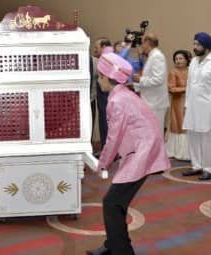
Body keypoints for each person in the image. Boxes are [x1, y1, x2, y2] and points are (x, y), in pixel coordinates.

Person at [86, 51, 170, 255]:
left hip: (142, 152)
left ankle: (121, 250)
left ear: (106, 78)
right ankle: (112, 245)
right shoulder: (124, 94)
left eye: (99, 78)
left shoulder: (117, 101)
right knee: (117, 203)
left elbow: (113, 137)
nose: (99, 82)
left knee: (111, 203)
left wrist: (102, 163)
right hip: (143, 149)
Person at [181, 32, 211, 181]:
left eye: (198, 44)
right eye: (194, 44)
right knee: (193, 135)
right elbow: (189, 85)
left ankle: (208, 168)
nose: (194, 47)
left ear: (206, 46)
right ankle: (196, 166)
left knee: (207, 137)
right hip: (193, 106)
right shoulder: (194, 62)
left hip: (209, 107)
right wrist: (186, 105)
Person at [133, 33, 170, 136]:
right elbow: (150, 80)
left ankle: (157, 153)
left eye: (142, 43)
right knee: (149, 133)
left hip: (155, 103)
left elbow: (158, 80)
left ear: (147, 43)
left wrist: (140, 79)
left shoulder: (157, 56)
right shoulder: (152, 56)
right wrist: (134, 85)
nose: (141, 46)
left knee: (155, 134)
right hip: (151, 101)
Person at [165, 50, 192, 160]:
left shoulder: (192, 70)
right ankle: (179, 152)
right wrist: (187, 89)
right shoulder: (173, 72)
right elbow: (171, 88)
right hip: (178, 102)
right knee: (180, 125)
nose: (178, 61)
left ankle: (191, 152)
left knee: (190, 125)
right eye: (176, 59)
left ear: (187, 60)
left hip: (192, 101)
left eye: (181, 58)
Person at [92, 37, 112, 154]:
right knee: (103, 123)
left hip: (106, 98)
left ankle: (108, 151)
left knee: (106, 124)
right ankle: (106, 149)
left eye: (97, 47)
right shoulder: (103, 59)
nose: (95, 50)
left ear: (104, 47)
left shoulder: (108, 60)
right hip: (101, 98)